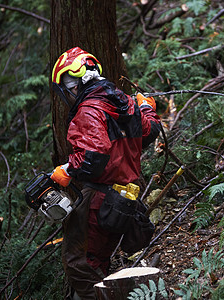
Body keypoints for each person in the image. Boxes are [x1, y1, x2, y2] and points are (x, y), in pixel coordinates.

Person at [50, 47, 161, 299]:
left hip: (99, 201)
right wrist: (146, 108)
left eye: (67, 90)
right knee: (98, 262)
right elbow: (149, 131)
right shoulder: (125, 103)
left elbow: (93, 157)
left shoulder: (88, 111)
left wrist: (66, 169)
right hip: (124, 199)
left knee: (80, 265)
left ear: (75, 86)